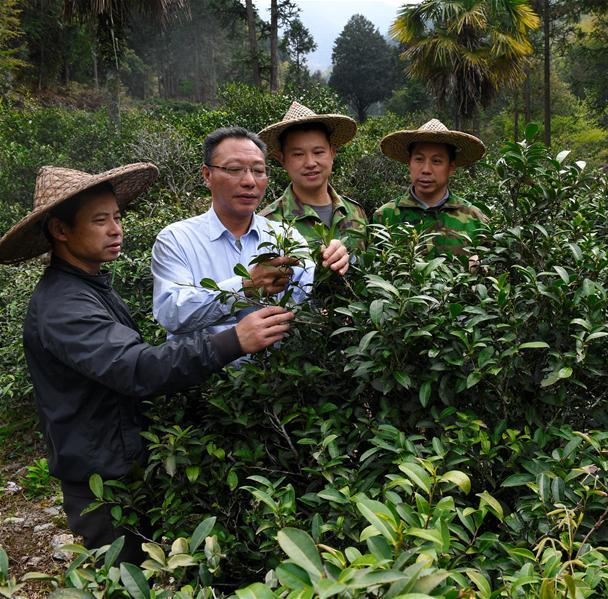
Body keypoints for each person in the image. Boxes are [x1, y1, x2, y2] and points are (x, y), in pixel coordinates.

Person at [0, 163, 294, 564]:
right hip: (99, 481)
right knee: (126, 577)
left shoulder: (90, 285)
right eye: (99, 221)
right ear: (60, 231)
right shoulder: (64, 305)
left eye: (117, 217)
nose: (115, 229)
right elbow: (136, 369)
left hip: (120, 463)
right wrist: (233, 340)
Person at [151, 127, 347, 343]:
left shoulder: (284, 236)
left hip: (277, 374)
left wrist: (329, 268)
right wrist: (245, 287)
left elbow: (310, 300)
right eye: (235, 169)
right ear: (207, 175)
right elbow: (172, 313)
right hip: (208, 375)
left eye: (258, 170)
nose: (249, 181)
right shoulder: (176, 239)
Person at [258, 102, 367, 255]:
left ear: (332, 153)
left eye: (318, 152)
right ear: (282, 159)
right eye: (298, 154)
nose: (310, 163)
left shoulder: (355, 212)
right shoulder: (268, 222)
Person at [373, 119, 487, 257]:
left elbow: (491, 268)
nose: (426, 169)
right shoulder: (385, 216)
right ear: (409, 163)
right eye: (419, 159)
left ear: (451, 168)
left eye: (436, 161)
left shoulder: (475, 219)